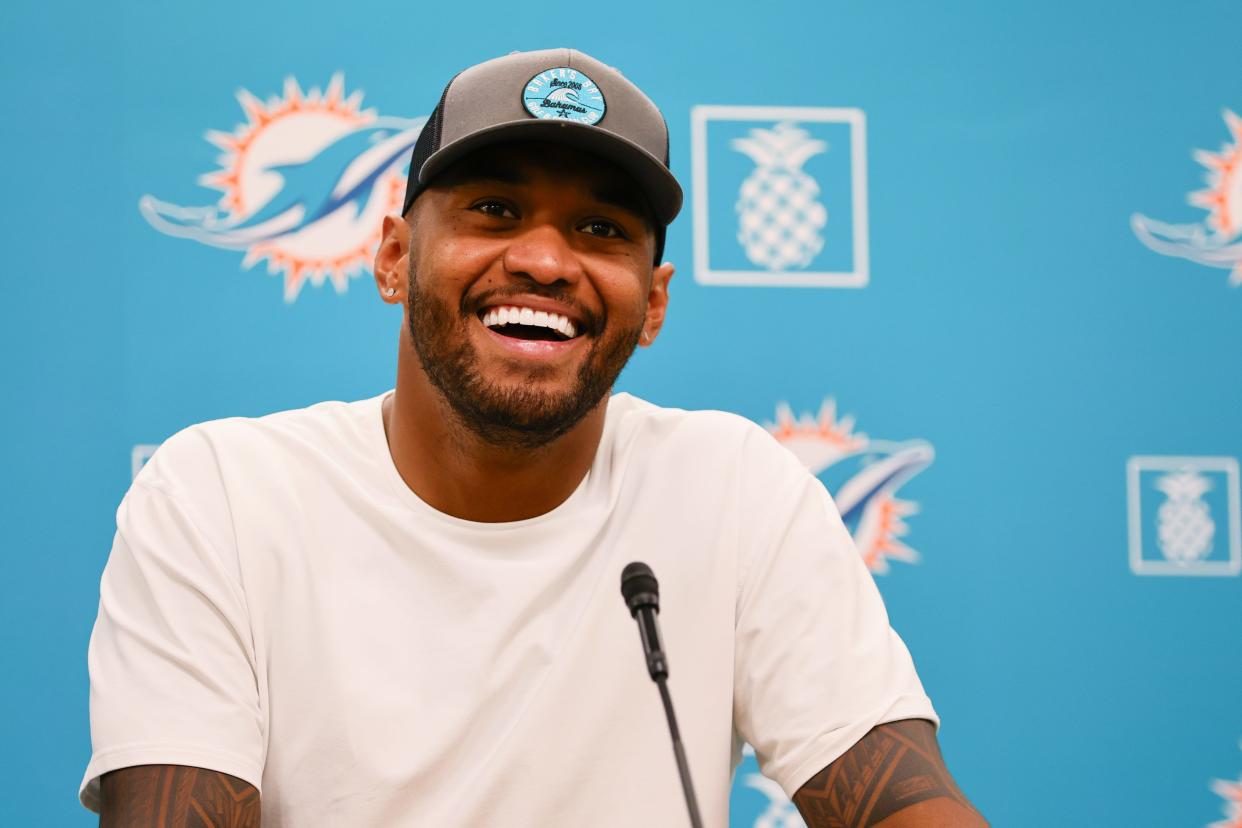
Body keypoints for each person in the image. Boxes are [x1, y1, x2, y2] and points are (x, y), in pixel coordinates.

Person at [82, 48, 988, 827]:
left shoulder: (734, 484)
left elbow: (902, 802)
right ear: (394, 257)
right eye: (495, 211)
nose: (547, 262)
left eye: (600, 229)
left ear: (655, 301)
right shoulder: (223, 494)